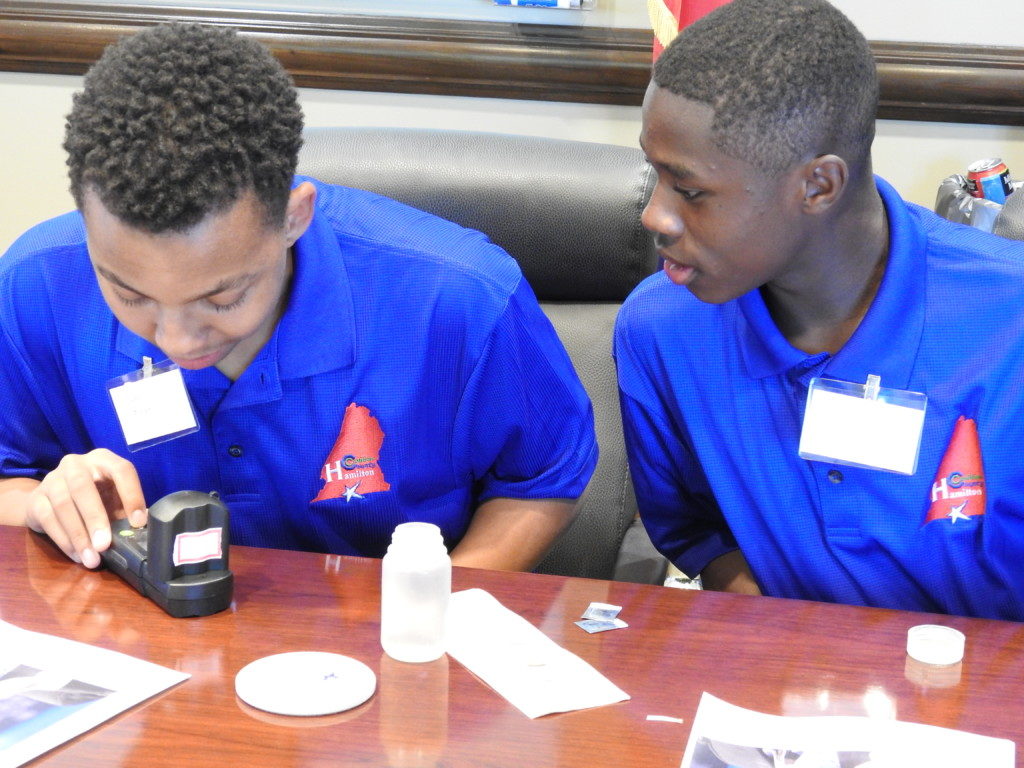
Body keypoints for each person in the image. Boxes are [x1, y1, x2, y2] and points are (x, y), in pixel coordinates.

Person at [0, 24, 597, 573]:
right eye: (129, 294)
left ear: (294, 218)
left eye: (223, 297)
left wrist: (430, 609)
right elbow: (9, 479)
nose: (178, 341)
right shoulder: (38, 281)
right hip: (149, 645)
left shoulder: (459, 299)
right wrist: (42, 503)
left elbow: (540, 482)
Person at [614, 0, 1024, 619]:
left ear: (819, 186)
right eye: (655, 176)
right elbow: (695, 528)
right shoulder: (663, 328)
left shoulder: (1008, 323)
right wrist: (789, 640)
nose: (654, 216)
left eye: (691, 191)